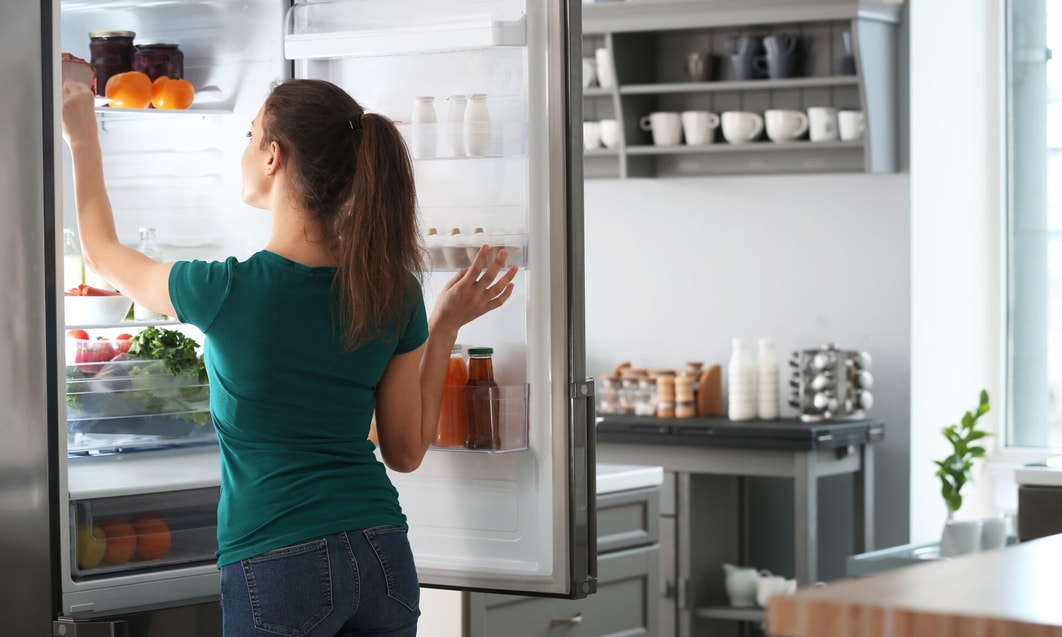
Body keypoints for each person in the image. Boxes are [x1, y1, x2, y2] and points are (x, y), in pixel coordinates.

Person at [61, 77, 518, 637]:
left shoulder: (226, 289)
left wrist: (82, 137)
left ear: (274, 156)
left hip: (279, 558)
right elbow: (403, 451)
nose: (247, 148)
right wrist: (444, 321)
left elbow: (103, 256)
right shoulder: (392, 290)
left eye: (252, 135)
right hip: (381, 552)